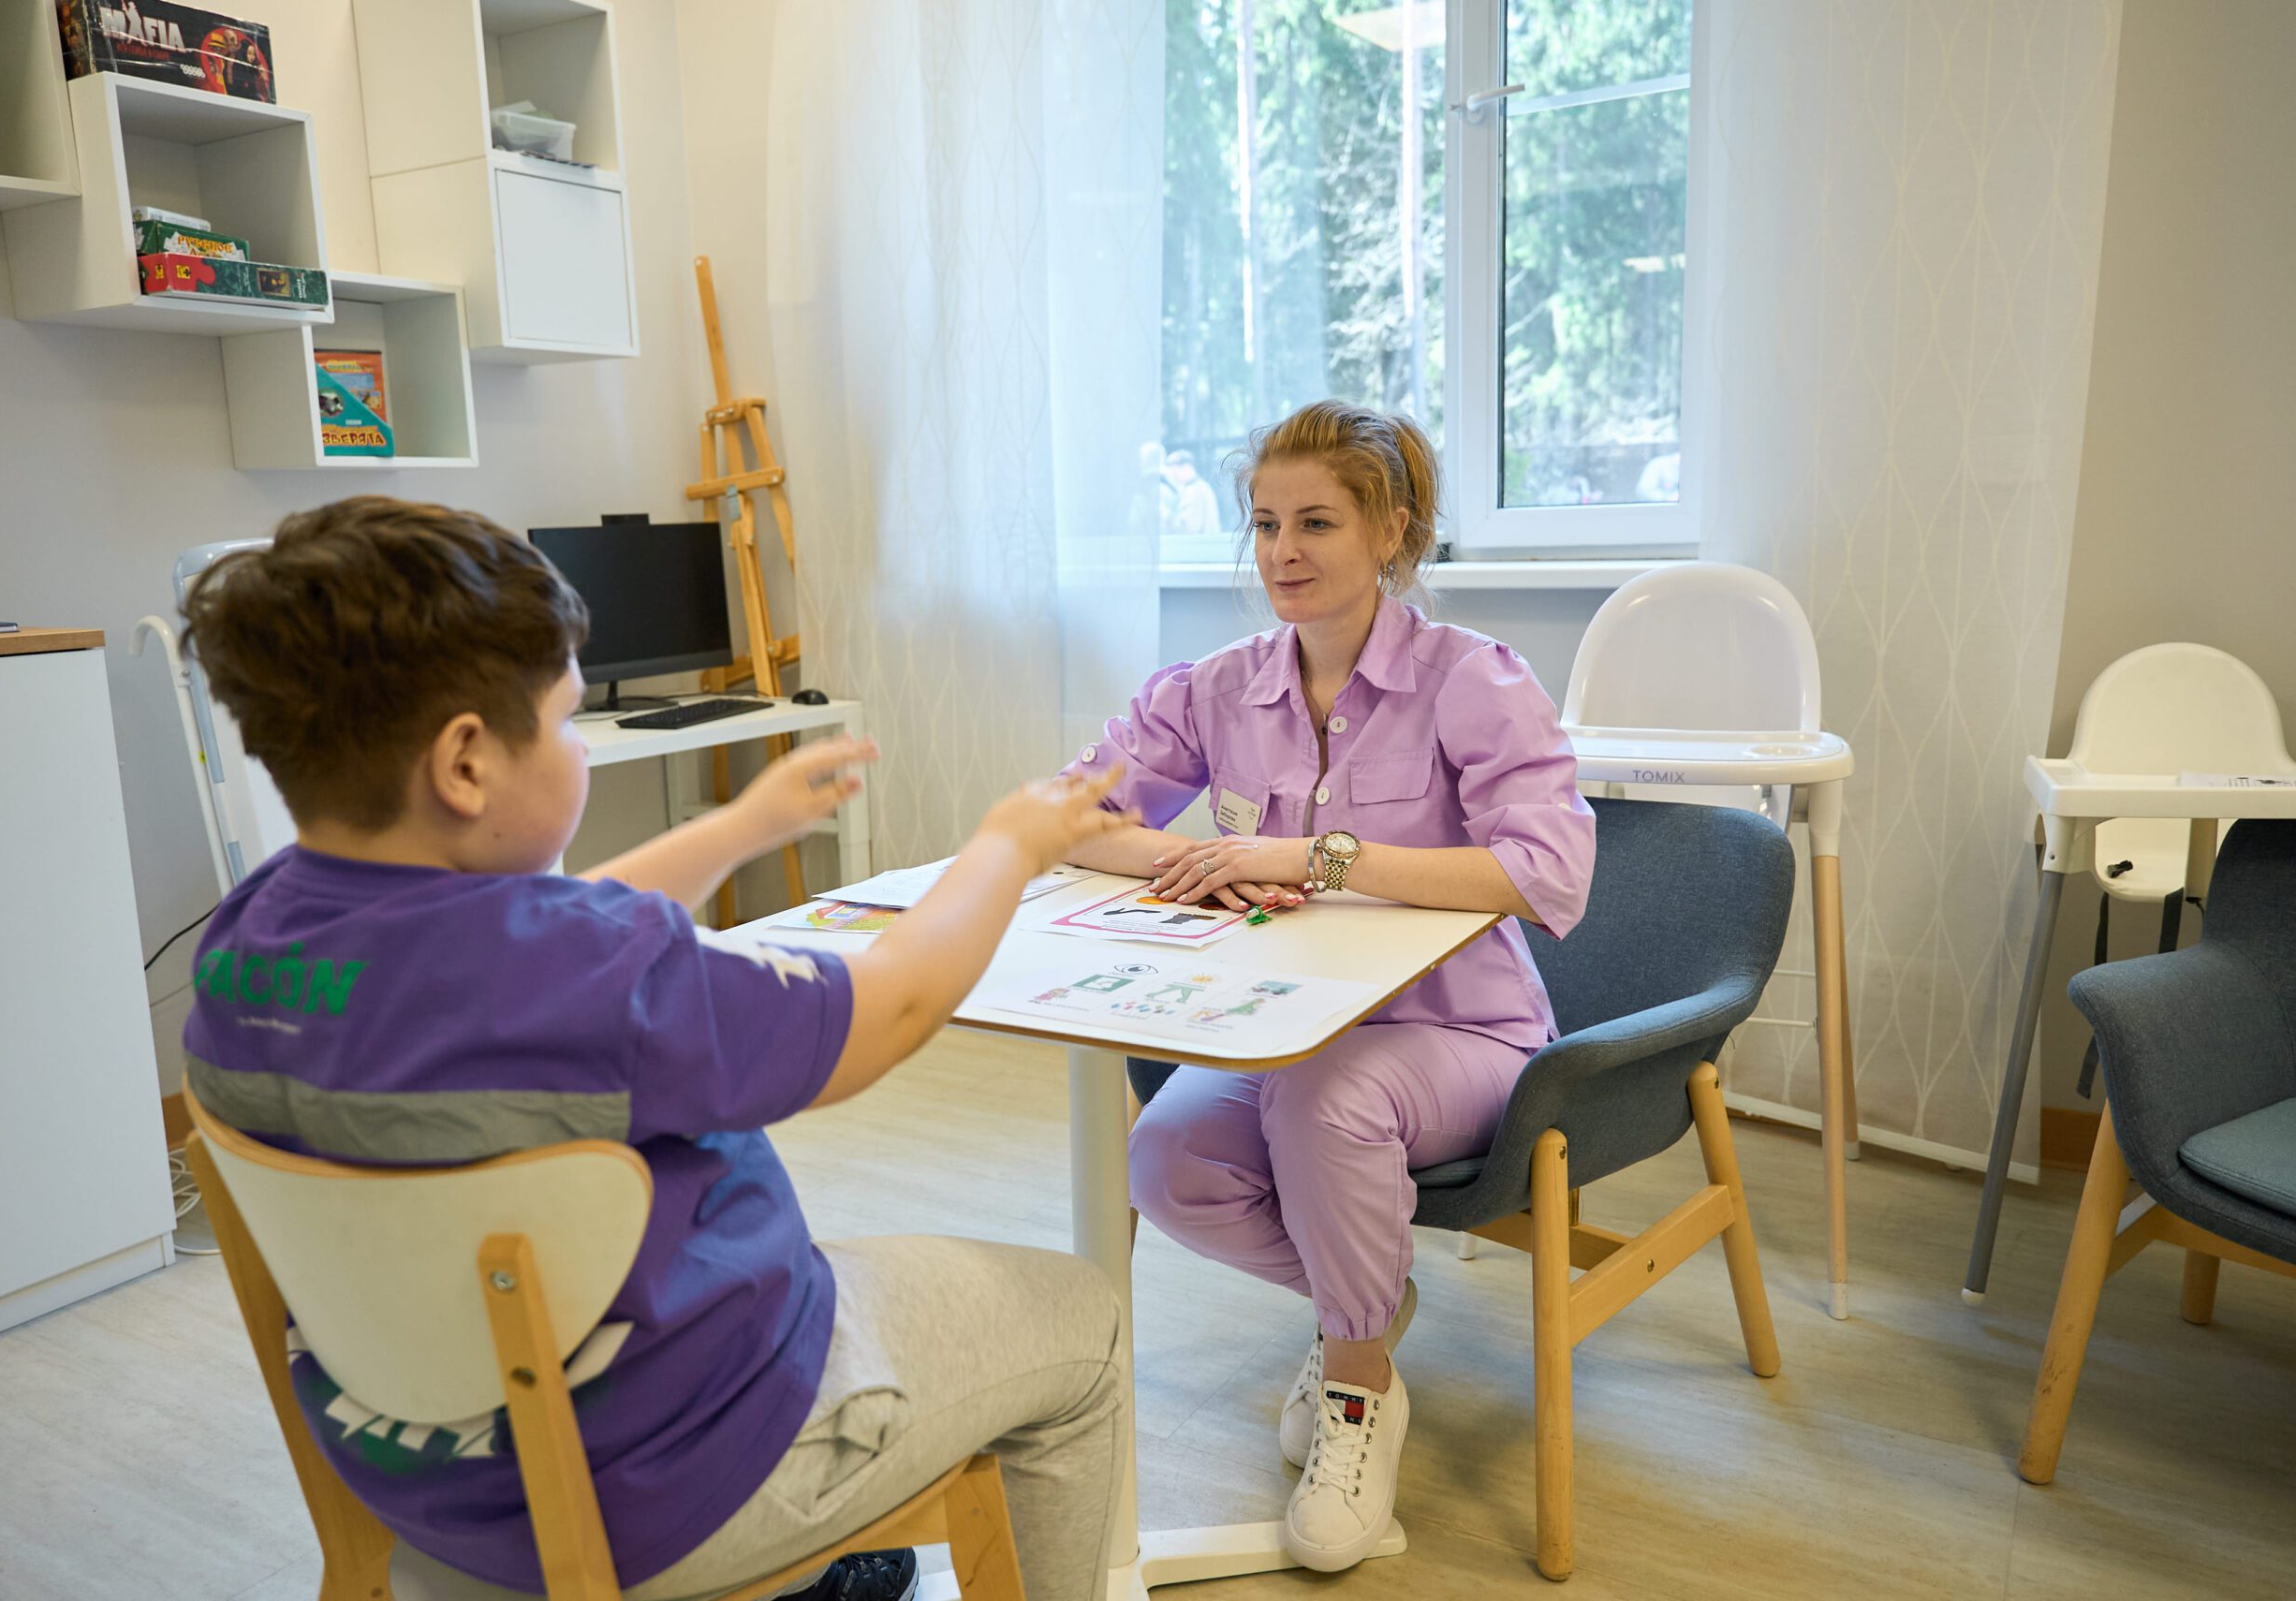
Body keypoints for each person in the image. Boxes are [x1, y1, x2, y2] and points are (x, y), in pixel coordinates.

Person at [181, 497, 1132, 1601]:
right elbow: (895, 1006)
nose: (579, 745)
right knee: (1083, 1324)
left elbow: (540, 943)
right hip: (675, 1477)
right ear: (466, 764)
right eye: (568, 721)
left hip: (425, 1481)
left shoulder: (244, 942)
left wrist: (740, 828)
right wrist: (1008, 846)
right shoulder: (599, 973)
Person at [1060, 401, 1596, 1573]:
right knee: (1165, 1160)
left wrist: (1315, 858)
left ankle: (1355, 1389)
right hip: (1281, 1026)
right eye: (1263, 524)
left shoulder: (1472, 680)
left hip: (1461, 1035)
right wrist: (1205, 860)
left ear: (1390, 530)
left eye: (1314, 523)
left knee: (1327, 1101)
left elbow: (1547, 871)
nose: (1281, 553)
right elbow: (1072, 817)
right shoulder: (1215, 688)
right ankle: (1369, 1307)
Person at [1164, 448, 1224, 537]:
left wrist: (1164, 514)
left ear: (1185, 467)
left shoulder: (1195, 491)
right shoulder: (1200, 487)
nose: (1173, 478)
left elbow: (1187, 529)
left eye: (1174, 473)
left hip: (1202, 545)